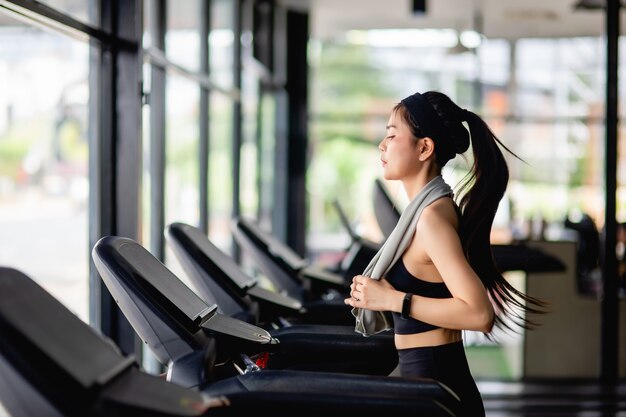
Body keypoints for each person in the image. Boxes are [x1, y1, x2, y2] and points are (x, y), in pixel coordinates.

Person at [344, 91, 547, 417]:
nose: (383, 145)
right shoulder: (428, 212)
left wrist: (393, 300)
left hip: (437, 384)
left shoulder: (431, 220)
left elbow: (480, 314)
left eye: (393, 135)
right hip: (428, 381)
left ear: (424, 147)